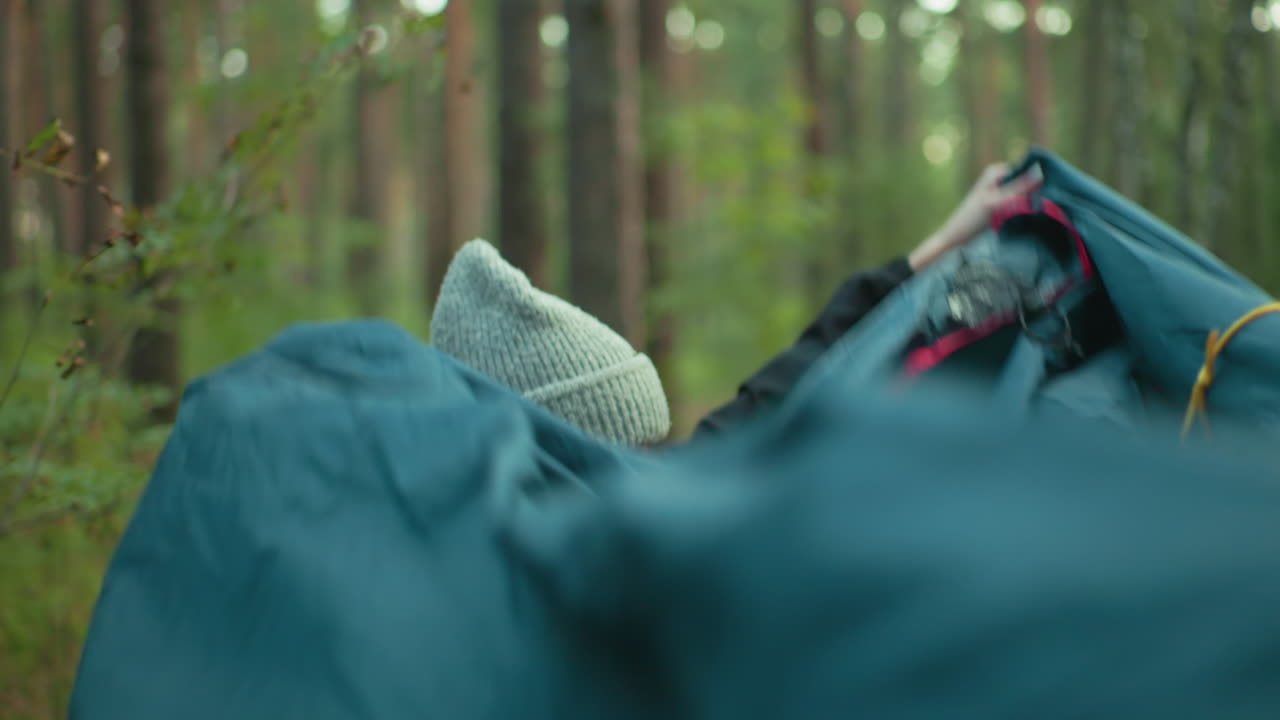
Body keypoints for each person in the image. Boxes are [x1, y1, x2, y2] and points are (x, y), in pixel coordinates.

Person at [431, 163, 1043, 447]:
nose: (640, 471)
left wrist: (943, 243)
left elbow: (811, 364)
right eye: (616, 453)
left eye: (645, 448)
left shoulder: (676, 493)